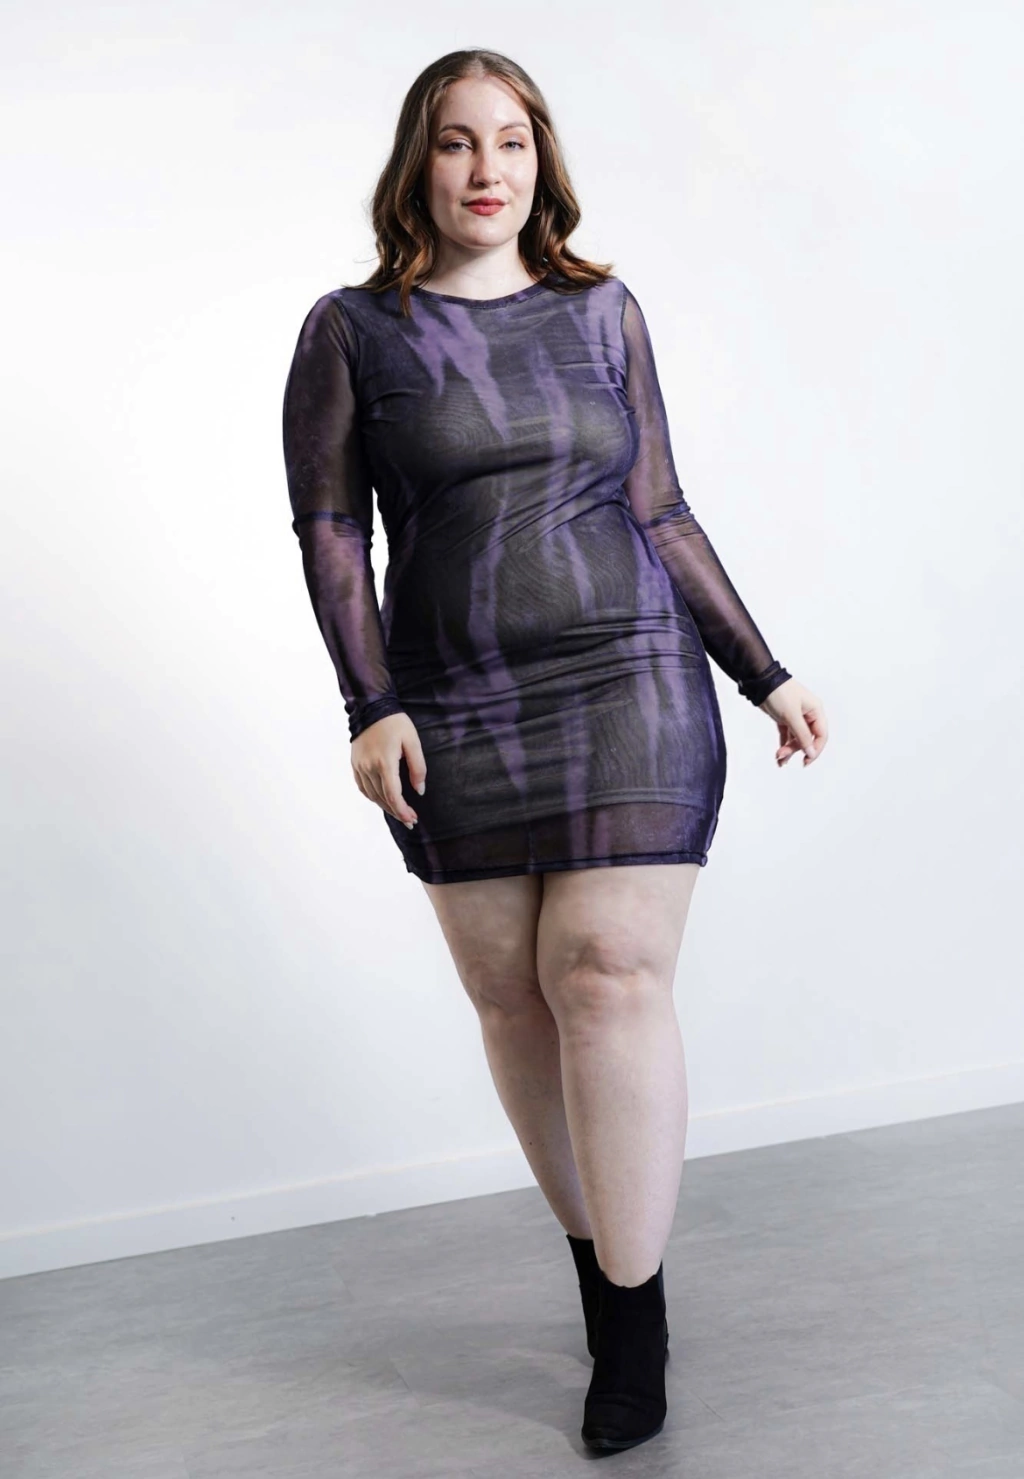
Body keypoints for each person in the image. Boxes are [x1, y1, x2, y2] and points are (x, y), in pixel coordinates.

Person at [281, 47, 828, 1455]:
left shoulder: (602, 312)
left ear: (543, 162)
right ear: (417, 163)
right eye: (458, 142)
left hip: (628, 674)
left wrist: (762, 671)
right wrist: (367, 703)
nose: (487, 170)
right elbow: (333, 532)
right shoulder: (352, 332)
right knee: (513, 1000)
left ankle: (635, 1325)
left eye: (512, 141)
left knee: (605, 974)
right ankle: (600, 1269)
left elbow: (661, 506)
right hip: (452, 701)